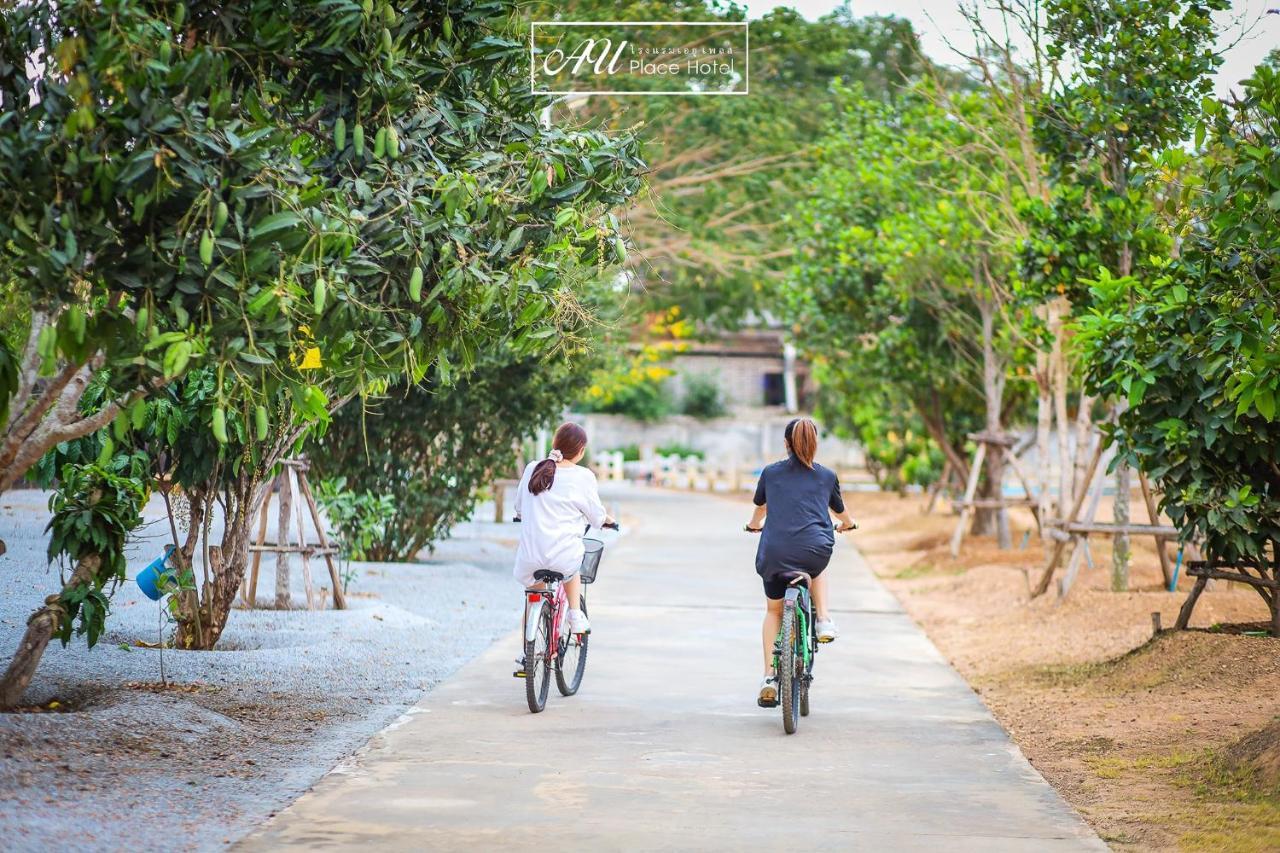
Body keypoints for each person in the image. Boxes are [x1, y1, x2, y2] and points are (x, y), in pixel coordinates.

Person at [745, 417, 855, 704]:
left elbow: (759, 510)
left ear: (786, 444)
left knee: (774, 612)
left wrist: (754, 525)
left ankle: (769, 676)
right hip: (814, 550)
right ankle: (823, 620)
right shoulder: (827, 476)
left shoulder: (771, 473)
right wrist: (848, 524)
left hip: (775, 553)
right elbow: (841, 513)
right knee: (816, 562)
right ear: (815, 444)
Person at [513, 422, 615, 634]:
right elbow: (596, 516)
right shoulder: (583, 476)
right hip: (562, 558)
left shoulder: (533, 468)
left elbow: (519, 507)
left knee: (534, 595)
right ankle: (576, 615)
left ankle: (526, 654)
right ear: (581, 451)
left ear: (555, 443)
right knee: (572, 568)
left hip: (530, 559)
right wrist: (608, 520)